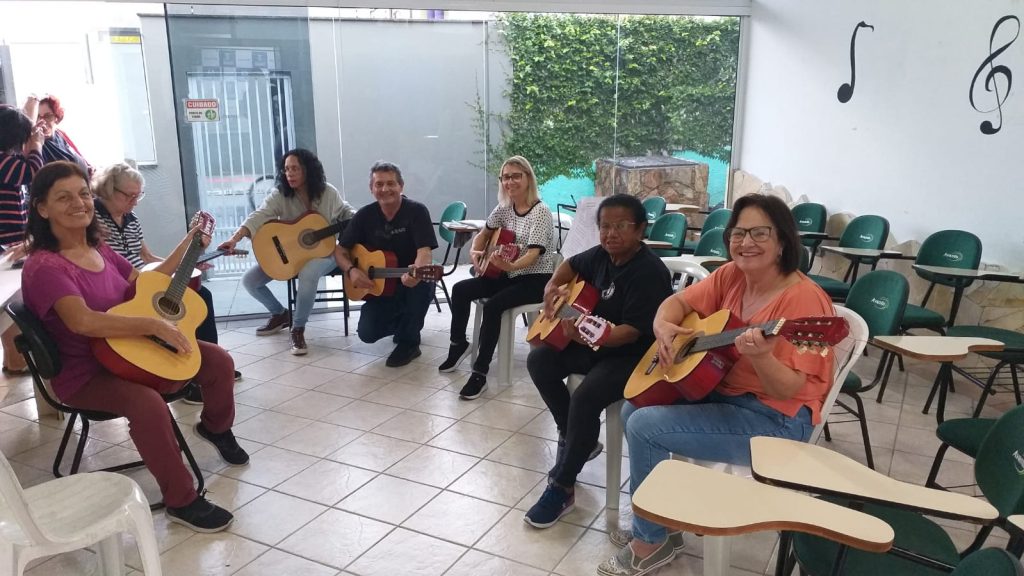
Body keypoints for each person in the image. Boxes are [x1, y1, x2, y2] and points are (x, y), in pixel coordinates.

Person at [596, 194, 835, 576]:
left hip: (776, 420)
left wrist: (761, 357)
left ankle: (650, 544)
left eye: (760, 232)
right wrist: (663, 327)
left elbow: (788, 390)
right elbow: (673, 305)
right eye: (738, 232)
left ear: (784, 242)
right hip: (724, 394)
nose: (746, 242)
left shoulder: (805, 303)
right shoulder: (731, 276)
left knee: (644, 425)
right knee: (634, 406)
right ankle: (664, 523)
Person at [21, 161, 247, 532]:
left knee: (218, 361)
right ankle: (182, 500)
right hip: (86, 373)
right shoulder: (45, 266)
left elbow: (145, 279)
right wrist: (150, 324)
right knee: (147, 405)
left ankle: (215, 427)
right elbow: (83, 322)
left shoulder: (98, 246)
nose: (78, 203)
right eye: (63, 197)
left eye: (82, 194)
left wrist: (189, 243)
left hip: (133, 350)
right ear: (42, 208)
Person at [523, 194, 672, 529]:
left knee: (587, 396)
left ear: (640, 229)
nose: (611, 234)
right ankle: (580, 436)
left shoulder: (649, 272)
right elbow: (570, 266)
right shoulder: (601, 256)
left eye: (621, 226)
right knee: (540, 360)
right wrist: (551, 289)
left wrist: (587, 336)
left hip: (632, 354)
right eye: (604, 226)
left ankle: (562, 486)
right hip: (594, 344)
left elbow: (630, 334)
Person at [92, 161, 242, 395]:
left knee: (201, 296)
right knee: (179, 303)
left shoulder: (131, 219)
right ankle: (185, 371)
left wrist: (185, 266)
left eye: (137, 196)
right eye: (128, 196)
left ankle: (202, 363)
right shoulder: (93, 221)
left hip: (144, 278)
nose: (133, 202)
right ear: (108, 190)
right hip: (124, 289)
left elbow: (147, 255)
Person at [439, 156, 555, 400]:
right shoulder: (504, 208)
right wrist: (475, 253)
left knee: (493, 307)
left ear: (528, 178)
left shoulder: (541, 212)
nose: (510, 181)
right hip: (507, 274)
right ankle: (458, 343)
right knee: (460, 289)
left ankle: (480, 373)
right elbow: (484, 234)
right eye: (505, 177)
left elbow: (533, 255)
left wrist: (509, 264)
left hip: (535, 278)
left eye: (516, 176)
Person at [218, 148, 355, 354]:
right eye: (286, 169)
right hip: (292, 254)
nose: (289, 173)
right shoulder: (280, 194)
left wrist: (359, 216)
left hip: (326, 254)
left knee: (309, 272)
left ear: (308, 170)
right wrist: (234, 238)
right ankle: (280, 314)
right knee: (250, 281)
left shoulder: (328, 192)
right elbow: (259, 216)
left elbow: (345, 210)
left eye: (295, 169)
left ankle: (297, 329)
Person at [336, 161, 437, 368]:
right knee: (366, 333)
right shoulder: (364, 216)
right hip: (381, 288)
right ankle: (405, 324)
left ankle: (409, 342)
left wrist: (417, 273)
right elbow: (339, 250)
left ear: (401, 186)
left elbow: (424, 252)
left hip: (412, 282)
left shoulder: (417, 211)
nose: (385, 189)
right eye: (379, 184)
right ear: (371, 189)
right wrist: (352, 270)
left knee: (420, 287)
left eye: (391, 183)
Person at [0, 104, 44, 375]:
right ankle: (14, 359)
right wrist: (36, 146)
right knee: (10, 301)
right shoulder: (3, 160)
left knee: (13, 299)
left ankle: (13, 359)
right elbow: (32, 174)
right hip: (4, 237)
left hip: (10, 237)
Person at [23, 94, 92, 175]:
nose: (42, 121)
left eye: (48, 116)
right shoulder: (34, 147)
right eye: (38, 117)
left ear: (57, 117)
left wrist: (88, 168)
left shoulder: (60, 133)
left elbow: (79, 157)